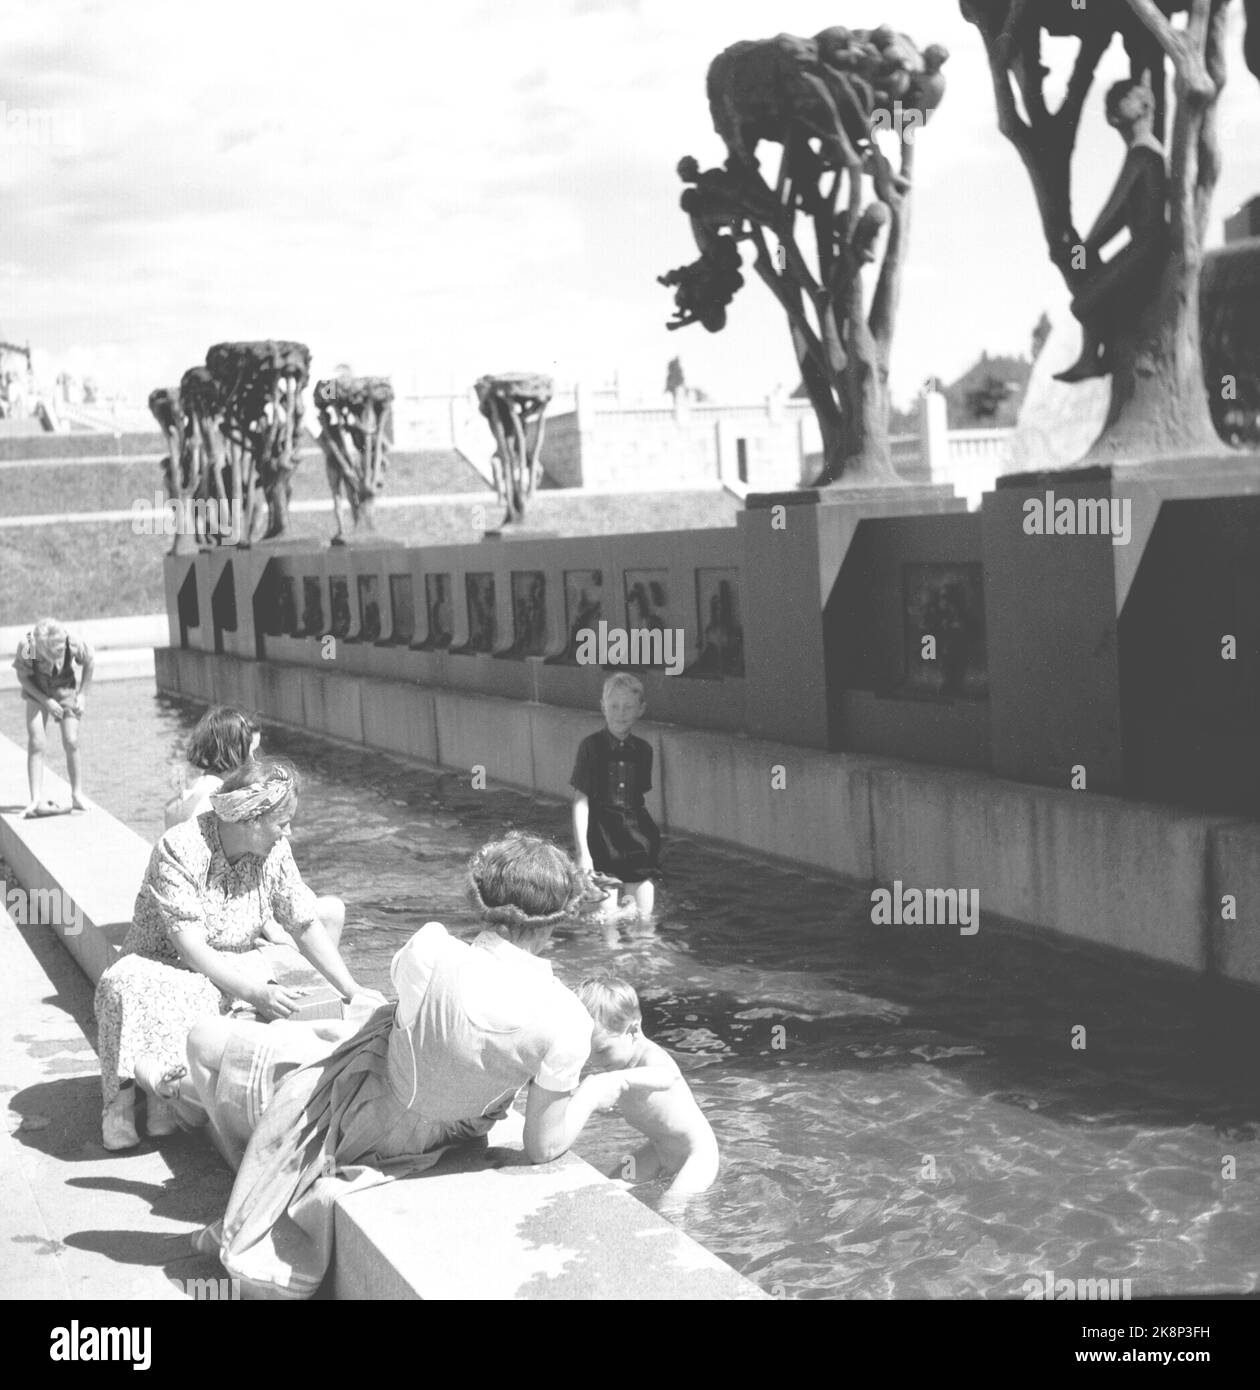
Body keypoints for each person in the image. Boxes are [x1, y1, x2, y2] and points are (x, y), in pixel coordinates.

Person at [187, 832, 675, 1299]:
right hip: (446, 1141)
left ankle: (238, 1180)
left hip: (356, 1114)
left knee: (206, 1041)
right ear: (554, 923)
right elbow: (542, 1146)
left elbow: (407, 1020)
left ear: (482, 901)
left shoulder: (431, 948)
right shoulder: (567, 1018)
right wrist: (591, 1094)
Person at [93, 757, 362, 1151]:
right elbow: (189, 946)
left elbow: (303, 922)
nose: (288, 831)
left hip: (236, 960)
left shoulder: (276, 851)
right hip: (163, 960)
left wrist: (352, 990)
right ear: (251, 820)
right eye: (282, 822)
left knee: (231, 1013)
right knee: (122, 983)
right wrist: (255, 992)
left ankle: (165, 1094)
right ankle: (120, 1102)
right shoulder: (180, 847)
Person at [1055, 78, 1169, 384]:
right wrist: (1088, 247)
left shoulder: (1143, 153)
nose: (1111, 104)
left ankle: (1093, 359)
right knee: (1089, 290)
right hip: (1143, 246)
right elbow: (1119, 215)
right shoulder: (1141, 151)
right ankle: (1095, 357)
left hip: (1149, 248)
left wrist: (1085, 247)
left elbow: (1113, 210)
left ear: (1145, 107)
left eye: (1122, 97)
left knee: (1082, 303)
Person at [576, 974, 720, 1197]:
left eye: (602, 1050)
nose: (594, 1061)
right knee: (606, 1190)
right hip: (658, 1149)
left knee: (671, 1205)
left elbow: (667, 1077)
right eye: (589, 1052)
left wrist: (620, 1080)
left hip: (697, 1153)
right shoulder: (617, 1064)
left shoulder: (651, 1058)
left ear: (633, 1030)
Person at [571, 673, 661, 923]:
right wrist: (583, 852)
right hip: (601, 839)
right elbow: (581, 800)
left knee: (644, 918)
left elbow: (639, 801)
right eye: (614, 706)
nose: (620, 713)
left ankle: (643, 956)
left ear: (640, 709)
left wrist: (651, 842)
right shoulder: (590, 747)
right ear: (603, 706)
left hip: (636, 840)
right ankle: (612, 956)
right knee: (605, 920)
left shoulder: (644, 750)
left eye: (628, 707)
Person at [13, 617, 94, 816]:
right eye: (47, 656)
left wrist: (82, 694)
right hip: (37, 692)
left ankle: (77, 795)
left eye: (57, 654)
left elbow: (90, 661)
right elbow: (23, 677)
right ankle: (35, 800)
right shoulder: (28, 645)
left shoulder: (72, 641)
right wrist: (45, 701)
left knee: (72, 740)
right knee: (37, 741)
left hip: (65, 690)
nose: (54, 660)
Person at [165, 706, 261, 828]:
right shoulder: (217, 801)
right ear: (233, 752)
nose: (254, 760)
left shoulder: (190, 792)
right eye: (251, 751)